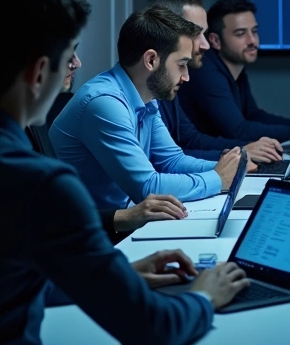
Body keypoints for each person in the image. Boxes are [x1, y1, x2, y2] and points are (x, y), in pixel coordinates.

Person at [0, 0, 249, 343]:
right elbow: (155, 328)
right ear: (39, 73)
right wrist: (205, 296)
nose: (76, 65)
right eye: (69, 54)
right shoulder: (40, 184)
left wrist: (115, 276)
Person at [50, 5, 245, 210]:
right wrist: (217, 178)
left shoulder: (146, 97)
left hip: (125, 220)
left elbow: (172, 160)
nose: (186, 76)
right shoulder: (104, 102)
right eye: (181, 64)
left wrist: (227, 167)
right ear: (151, 60)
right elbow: (148, 187)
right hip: (92, 232)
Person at [26, 47, 190, 243]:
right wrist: (124, 217)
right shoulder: (101, 100)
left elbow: (54, 216)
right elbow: (39, 227)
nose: (77, 63)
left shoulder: (34, 118)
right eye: (66, 51)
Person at [147, 0, 284, 167]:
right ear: (166, 32)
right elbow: (165, 162)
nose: (205, 45)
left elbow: (190, 141)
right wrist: (237, 156)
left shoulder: (167, 82)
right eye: (196, 33)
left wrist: (240, 150)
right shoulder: (129, 94)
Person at [179, 0, 290, 144]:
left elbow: (253, 115)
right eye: (240, 34)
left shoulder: (235, 68)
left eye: (254, 31)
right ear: (215, 41)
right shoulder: (205, 70)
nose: (252, 41)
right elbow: (238, 130)